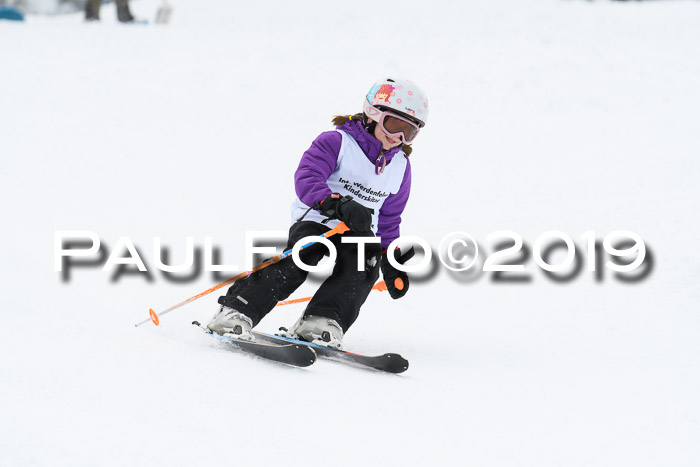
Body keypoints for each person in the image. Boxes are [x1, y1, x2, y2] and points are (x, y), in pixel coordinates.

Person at [207, 77, 429, 349]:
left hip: (357, 229)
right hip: (318, 218)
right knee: (304, 256)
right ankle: (235, 311)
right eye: (394, 125)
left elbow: (390, 217)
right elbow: (308, 177)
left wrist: (389, 259)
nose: (399, 138)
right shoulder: (337, 142)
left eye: (410, 132)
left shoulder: (400, 167)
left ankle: (321, 320)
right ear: (373, 113)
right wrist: (335, 203)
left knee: (364, 265)